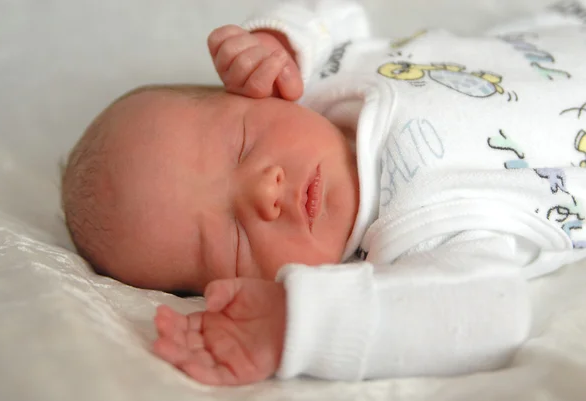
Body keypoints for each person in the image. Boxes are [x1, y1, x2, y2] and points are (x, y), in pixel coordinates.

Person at [61, 0, 586, 386]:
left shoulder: (323, 79)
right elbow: (486, 313)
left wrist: (279, 43)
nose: (264, 192)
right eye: (234, 237)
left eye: (242, 144)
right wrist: (297, 323)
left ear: (257, 95)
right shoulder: (411, 238)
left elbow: (339, 15)